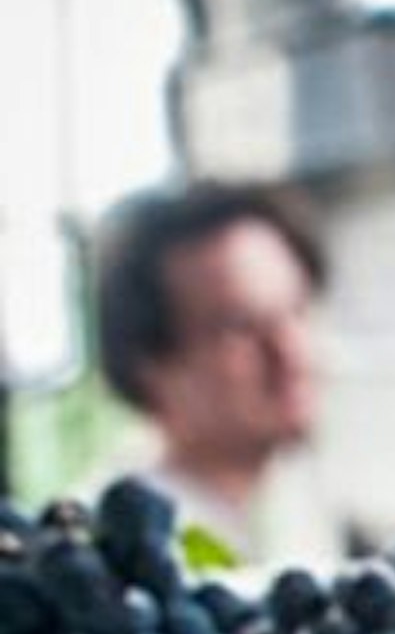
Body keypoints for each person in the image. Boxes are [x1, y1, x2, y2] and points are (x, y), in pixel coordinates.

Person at [88, 181, 327, 545]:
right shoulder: (130, 551)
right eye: (242, 327)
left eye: (298, 311)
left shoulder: (294, 512)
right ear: (149, 365)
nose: (290, 354)